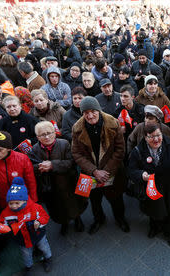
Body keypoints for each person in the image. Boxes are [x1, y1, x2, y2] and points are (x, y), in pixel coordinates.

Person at [127, 123, 170, 248]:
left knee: (169, 212)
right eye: (152, 137)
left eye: (158, 135)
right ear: (145, 138)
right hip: (151, 187)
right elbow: (131, 171)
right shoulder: (138, 151)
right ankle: (154, 228)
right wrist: (142, 175)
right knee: (153, 211)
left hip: (169, 186)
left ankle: (169, 233)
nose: (156, 139)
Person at [71, 96, 130, 235]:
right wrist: (94, 171)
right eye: (86, 113)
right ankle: (99, 219)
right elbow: (76, 153)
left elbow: (120, 150)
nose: (90, 115)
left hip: (112, 171)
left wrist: (105, 171)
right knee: (95, 201)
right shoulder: (77, 128)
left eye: (93, 111)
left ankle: (120, 219)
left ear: (99, 110)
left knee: (116, 199)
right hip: (91, 173)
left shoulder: (113, 123)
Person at [30, 121, 87, 235]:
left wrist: (52, 165)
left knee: (73, 204)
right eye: (42, 135)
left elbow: (71, 162)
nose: (47, 137)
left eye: (49, 133)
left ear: (55, 133)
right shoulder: (34, 149)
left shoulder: (64, 144)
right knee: (58, 208)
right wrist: (40, 167)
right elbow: (31, 166)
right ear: (37, 137)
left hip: (68, 183)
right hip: (50, 187)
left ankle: (77, 219)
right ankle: (64, 222)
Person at [0, 177, 52, 274]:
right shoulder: (6, 213)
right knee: (26, 254)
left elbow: (45, 216)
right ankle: (29, 266)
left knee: (44, 247)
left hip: (38, 234)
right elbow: (3, 225)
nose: (14, 206)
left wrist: (39, 222)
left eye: (17, 203)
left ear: (24, 200)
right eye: (11, 203)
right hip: (22, 239)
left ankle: (48, 258)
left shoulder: (35, 208)